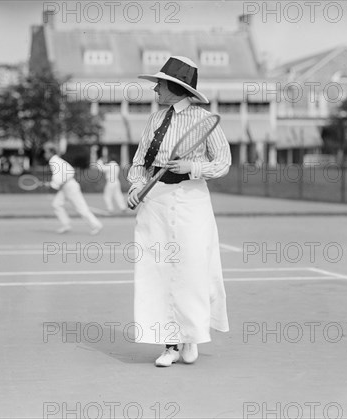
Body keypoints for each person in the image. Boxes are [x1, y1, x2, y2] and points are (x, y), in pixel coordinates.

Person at [127, 56, 230, 367]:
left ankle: (191, 336)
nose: (155, 88)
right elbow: (139, 161)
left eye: (160, 84)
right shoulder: (155, 120)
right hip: (155, 201)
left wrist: (192, 167)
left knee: (191, 269)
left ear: (175, 87)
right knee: (156, 270)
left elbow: (223, 162)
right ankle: (169, 344)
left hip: (191, 199)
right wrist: (134, 187)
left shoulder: (204, 119)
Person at [43, 143, 103, 235]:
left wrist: (52, 184)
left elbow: (58, 177)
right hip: (66, 186)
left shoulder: (54, 161)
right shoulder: (57, 160)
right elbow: (66, 173)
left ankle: (96, 225)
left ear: (51, 152)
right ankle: (66, 224)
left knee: (81, 208)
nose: (44, 154)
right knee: (56, 204)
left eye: (46, 152)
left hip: (70, 186)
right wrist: (53, 183)